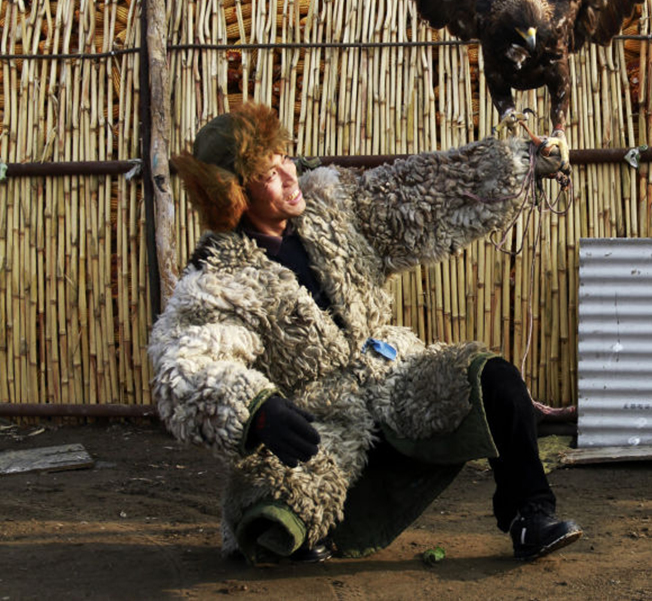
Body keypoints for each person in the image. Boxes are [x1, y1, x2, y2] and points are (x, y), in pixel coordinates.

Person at [148, 101, 582, 565]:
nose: (290, 177)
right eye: (269, 175)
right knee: (270, 519)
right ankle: (310, 529)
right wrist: (255, 410)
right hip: (320, 417)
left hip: (393, 375)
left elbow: (416, 193)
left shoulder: (333, 207)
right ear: (231, 192)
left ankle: (529, 514)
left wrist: (517, 161)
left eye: (285, 161)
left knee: (494, 382)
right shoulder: (219, 279)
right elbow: (183, 363)